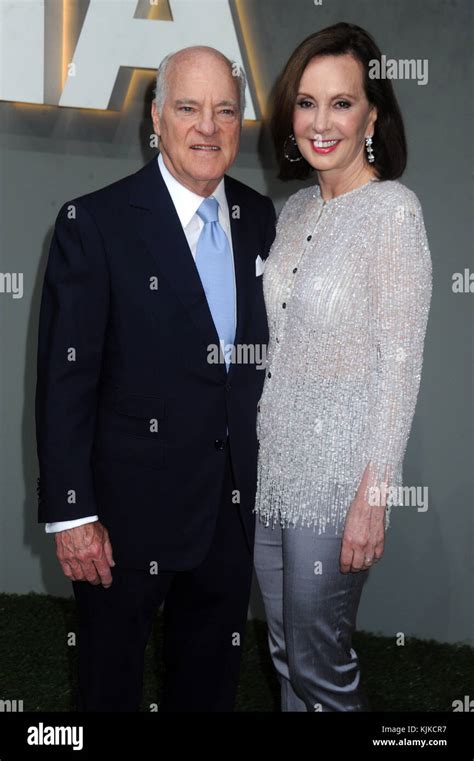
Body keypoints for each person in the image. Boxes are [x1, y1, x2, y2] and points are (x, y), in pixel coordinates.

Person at [35, 45, 276, 712]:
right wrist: (73, 512)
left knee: (207, 690)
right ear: (157, 117)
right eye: (189, 108)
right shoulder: (97, 224)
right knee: (108, 691)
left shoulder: (259, 219)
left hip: (228, 516)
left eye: (224, 110)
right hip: (121, 521)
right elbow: (65, 380)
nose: (207, 127)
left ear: (239, 122)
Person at [253, 22, 432, 712]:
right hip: (277, 469)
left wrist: (373, 496)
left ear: (372, 115)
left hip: (338, 482)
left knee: (322, 665)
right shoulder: (294, 210)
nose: (320, 122)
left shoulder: (392, 212)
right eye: (306, 102)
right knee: (285, 654)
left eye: (341, 103)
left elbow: (400, 364)